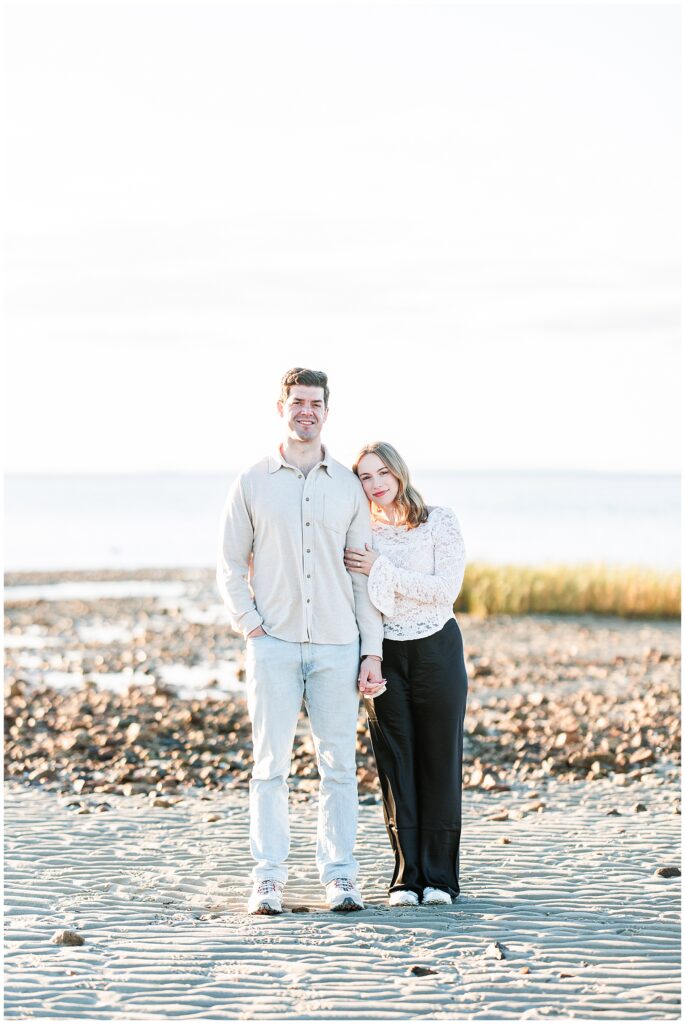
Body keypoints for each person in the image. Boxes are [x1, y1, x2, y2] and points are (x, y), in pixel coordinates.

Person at [217, 368, 386, 916]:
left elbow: (363, 577)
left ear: (326, 412)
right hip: (274, 646)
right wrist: (252, 626)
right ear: (281, 408)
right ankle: (267, 878)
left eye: (315, 402)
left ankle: (340, 877)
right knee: (270, 766)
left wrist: (371, 650)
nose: (306, 411)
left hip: (339, 645)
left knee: (338, 766)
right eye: (297, 402)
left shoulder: (347, 487)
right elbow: (228, 565)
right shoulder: (252, 481)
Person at [344, 441, 468, 908]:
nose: (375, 485)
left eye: (382, 474)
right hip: (386, 655)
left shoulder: (440, 520)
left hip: (438, 649)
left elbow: (444, 591)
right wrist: (368, 657)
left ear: (399, 472)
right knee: (396, 766)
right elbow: (368, 604)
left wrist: (384, 569)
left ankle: (440, 879)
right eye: (364, 478)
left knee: (439, 761)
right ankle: (406, 878)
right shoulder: (364, 534)